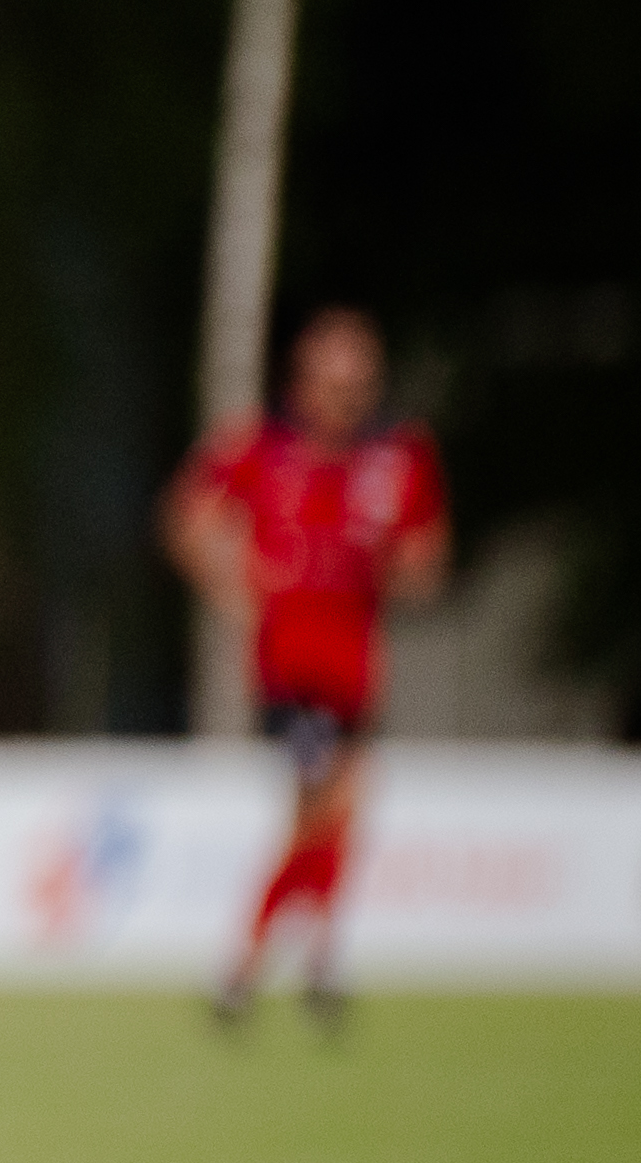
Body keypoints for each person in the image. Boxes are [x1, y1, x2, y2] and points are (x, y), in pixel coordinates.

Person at [166, 305, 446, 1032]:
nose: (344, 399)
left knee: (341, 809)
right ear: (303, 380)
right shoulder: (264, 445)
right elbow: (188, 514)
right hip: (290, 666)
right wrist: (232, 585)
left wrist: (396, 567)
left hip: (358, 665)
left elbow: (425, 556)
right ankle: (251, 965)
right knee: (321, 803)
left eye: (357, 384)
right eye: (332, 382)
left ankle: (300, 961)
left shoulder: (396, 456)